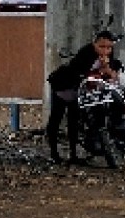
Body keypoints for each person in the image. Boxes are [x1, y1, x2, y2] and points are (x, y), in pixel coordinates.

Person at [46, 30, 119, 164]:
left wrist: (106, 67)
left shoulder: (109, 56)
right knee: (56, 119)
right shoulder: (86, 53)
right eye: (101, 47)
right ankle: (54, 154)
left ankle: (73, 155)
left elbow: (112, 75)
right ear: (95, 44)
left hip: (80, 91)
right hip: (63, 86)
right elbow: (78, 72)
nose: (105, 50)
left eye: (108, 47)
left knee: (73, 120)